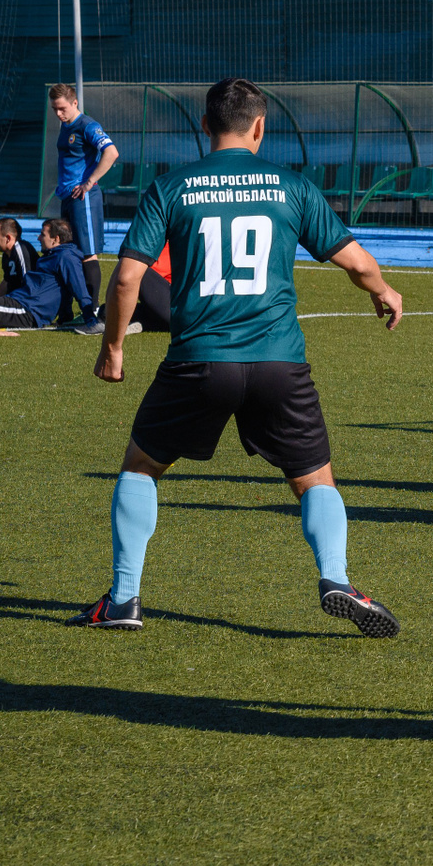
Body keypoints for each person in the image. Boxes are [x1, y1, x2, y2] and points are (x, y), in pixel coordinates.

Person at [69, 77, 407, 636]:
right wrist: (383, 291)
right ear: (259, 127)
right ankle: (337, 578)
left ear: (205, 126)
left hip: (199, 362)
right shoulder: (290, 186)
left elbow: (127, 278)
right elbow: (357, 262)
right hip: (279, 363)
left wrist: (114, 348)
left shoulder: (172, 187)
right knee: (315, 479)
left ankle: (124, 599)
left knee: (142, 468)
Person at [49, 82, 120, 308]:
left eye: (62, 108)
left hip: (84, 198)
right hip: (68, 197)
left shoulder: (88, 125)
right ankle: (69, 309)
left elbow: (111, 152)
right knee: (67, 252)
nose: (58, 113)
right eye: (54, 109)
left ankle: (92, 310)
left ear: (75, 102)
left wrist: (89, 182)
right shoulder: (66, 126)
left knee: (87, 253)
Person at [0, 219, 102, 334]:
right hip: (20, 301)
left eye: (42, 235)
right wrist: (65, 318)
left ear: (56, 239)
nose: (38, 238)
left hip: (28, 309)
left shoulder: (66, 257)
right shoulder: (52, 256)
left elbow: (79, 290)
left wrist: (91, 320)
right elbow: (61, 289)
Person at [0, 217, 39, 293]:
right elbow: (7, 281)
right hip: (15, 294)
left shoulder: (20, 250)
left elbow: (28, 286)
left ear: (8, 238)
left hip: (25, 296)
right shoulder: (6, 254)